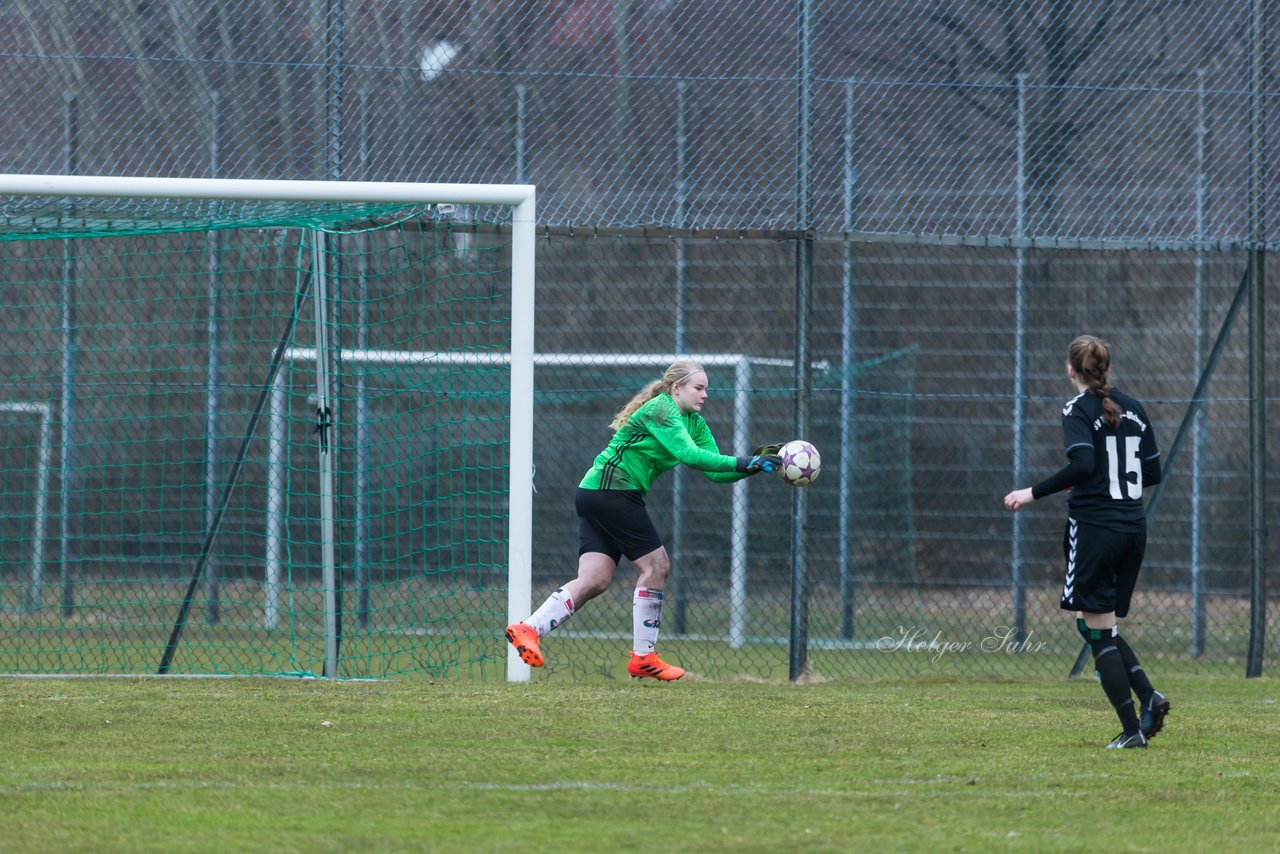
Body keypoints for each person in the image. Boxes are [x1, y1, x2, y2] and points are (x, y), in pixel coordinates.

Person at [505, 360, 783, 681]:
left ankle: (528, 628)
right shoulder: (661, 409)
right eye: (699, 387)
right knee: (656, 566)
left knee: (595, 579)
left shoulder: (695, 423)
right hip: (614, 491)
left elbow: (712, 471)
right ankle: (644, 656)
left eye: (706, 388)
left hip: (597, 492)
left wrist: (752, 465)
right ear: (676, 387)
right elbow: (692, 457)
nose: (705, 395)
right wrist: (748, 460)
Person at [1003, 335, 1171, 749]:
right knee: (1095, 624)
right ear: (1108, 370)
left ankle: (1133, 731)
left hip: (1097, 531)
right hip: (1133, 529)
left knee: (1098, 632)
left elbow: (1083, 463)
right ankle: (1150, 696)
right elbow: (1151, 474)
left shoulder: (1077, 409)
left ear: (1071, 370)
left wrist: (1033, 492)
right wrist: (1095, 480)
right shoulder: (1135, 408)